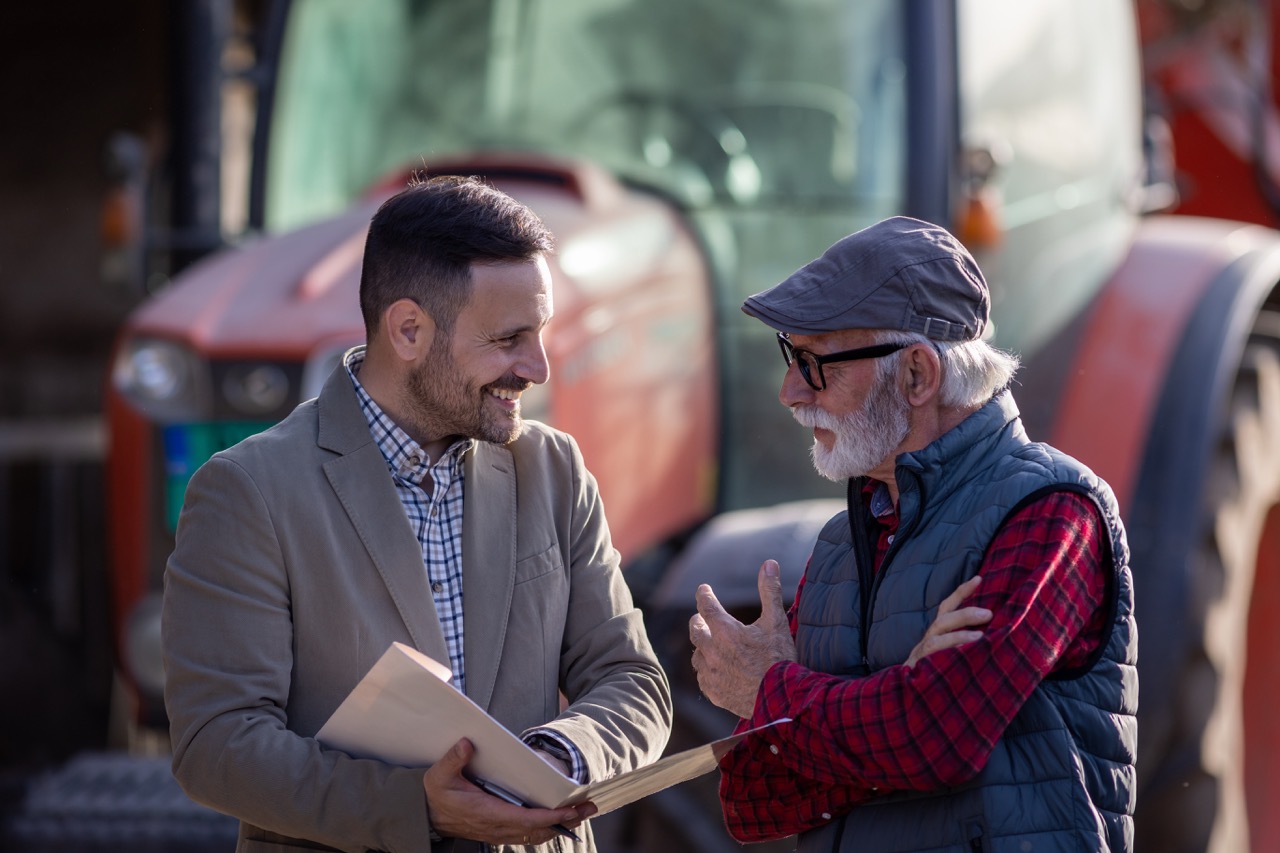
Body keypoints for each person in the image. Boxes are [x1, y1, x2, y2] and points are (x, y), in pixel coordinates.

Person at [162, 175, 672, 853]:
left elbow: (632, 679)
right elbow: (216, 745)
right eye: (510, 338)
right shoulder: (247, 492)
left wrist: (561, 755)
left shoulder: (554, 469)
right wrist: (418, 807)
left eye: (540, 332)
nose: (539, 366)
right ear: (408, 329)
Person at [688, 216, 1137, 852]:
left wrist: (772, 692)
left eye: (816, 365)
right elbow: (757, 798)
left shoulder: (1051, 512)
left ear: (918, 376)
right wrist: (892, 705)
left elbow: (934, 740)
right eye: (790, 358)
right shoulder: (843, 544)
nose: (790, 393)